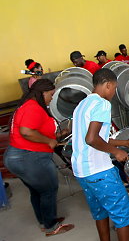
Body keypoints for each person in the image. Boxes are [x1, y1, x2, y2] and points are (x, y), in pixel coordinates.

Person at [4, 79, 75, 236]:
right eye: (51, 94)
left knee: (37, 191)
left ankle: (45, 221)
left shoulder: (29, 105)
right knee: (49, 189)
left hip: (20, 156)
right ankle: (50, 226)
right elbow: (27, 131)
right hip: (29, 157)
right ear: (42, 93)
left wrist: (57, 135)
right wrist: (48, 140)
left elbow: (36, 130)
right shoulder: (33, 107)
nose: (52, 97)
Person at [71, 69, 129, 241]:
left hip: (82, 172)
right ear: (107, 85)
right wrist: (116, 152)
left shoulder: (82, 105)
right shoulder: (103, 104)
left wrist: (122, 143)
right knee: (122, 216)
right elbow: (91, 139)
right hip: (99, 171)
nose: (113, 92)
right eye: (114, 88)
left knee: (100, 212)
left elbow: (95, 138)